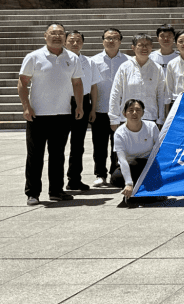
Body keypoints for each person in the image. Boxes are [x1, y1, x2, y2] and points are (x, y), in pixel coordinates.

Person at [19, 23, 82, 205]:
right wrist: (26, 106)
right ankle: (32, 193)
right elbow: (23, 82)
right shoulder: (34, 57)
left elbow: (77, 83)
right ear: (45, 35)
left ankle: (56, 191)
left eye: (60, 33)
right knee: (35, 155)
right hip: (38, 115)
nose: (57, 36)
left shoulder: (72, 57)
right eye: (53, 33)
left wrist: (79, 106)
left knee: (58, 155)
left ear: (65, 36)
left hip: (62, 114)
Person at [89, 28, 128, 188]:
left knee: (118, 145)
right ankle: (100, 174)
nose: (111, 41)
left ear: (120, 41)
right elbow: (91, 85)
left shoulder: (127, 60)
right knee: (99, 145)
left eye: (115, 38)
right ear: (103, 40)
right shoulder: (93, 61)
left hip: (120, 112)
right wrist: (92, 109)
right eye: (108, 38)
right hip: (100, 109)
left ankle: (115, 173)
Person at [63, 30, 97, 192]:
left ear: (83, 43)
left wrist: (93, 109)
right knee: (59, 145)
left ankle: (74, 179)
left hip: (83, 102)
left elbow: (94, 86)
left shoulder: (89, 62)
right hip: (63, 102)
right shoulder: (60, 60)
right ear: (65, 42)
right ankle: (56, 184)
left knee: (78, 144)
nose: (75, 44)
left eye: (78, 41)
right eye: (71, 41)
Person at [109, 34, 166, 129]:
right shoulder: (124, 67)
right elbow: (116, 93)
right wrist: (114, 119)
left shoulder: (157, 68)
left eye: (147, 45)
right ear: (133, 47)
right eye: (140, 45)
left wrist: (161, 119)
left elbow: (161, 95)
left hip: (150, 118)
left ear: (151, 47)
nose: (144, 48)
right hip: (127, 118)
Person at [113, 99, 161, 204]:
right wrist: (129, 183)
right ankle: (131, 192)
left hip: (149, 165)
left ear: (143, 113)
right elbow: (122, 160)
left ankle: (149, 192)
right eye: (131, 110)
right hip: (131, 166)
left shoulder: (151, 127)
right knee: (116, 177)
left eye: (138, 110)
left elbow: (159, 150)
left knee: (140, 165)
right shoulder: (119, 133)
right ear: (124, 114)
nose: (134, 113)